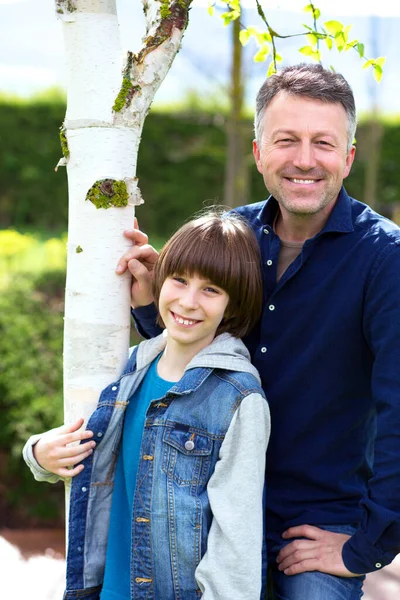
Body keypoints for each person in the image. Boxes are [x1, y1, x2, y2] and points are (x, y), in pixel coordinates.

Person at [117, 64, 400, 600]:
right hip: (201, 507)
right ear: (258, 153)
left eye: (323, 142)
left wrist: (365, 546)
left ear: (348, 157)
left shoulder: (386, 261)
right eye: (286, 140)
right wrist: (158, 304)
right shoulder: (230, 238)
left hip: (313, 527)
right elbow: (199, 356)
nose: (305, 159)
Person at [23, 211, 271, 600]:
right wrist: (39, 453)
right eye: (180, 280)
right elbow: (82, 448)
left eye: (211, 290)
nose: (188, 302)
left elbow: (236, 541)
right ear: (161, 281)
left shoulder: (238, 398)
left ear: (234, 306)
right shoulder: (130, 368)